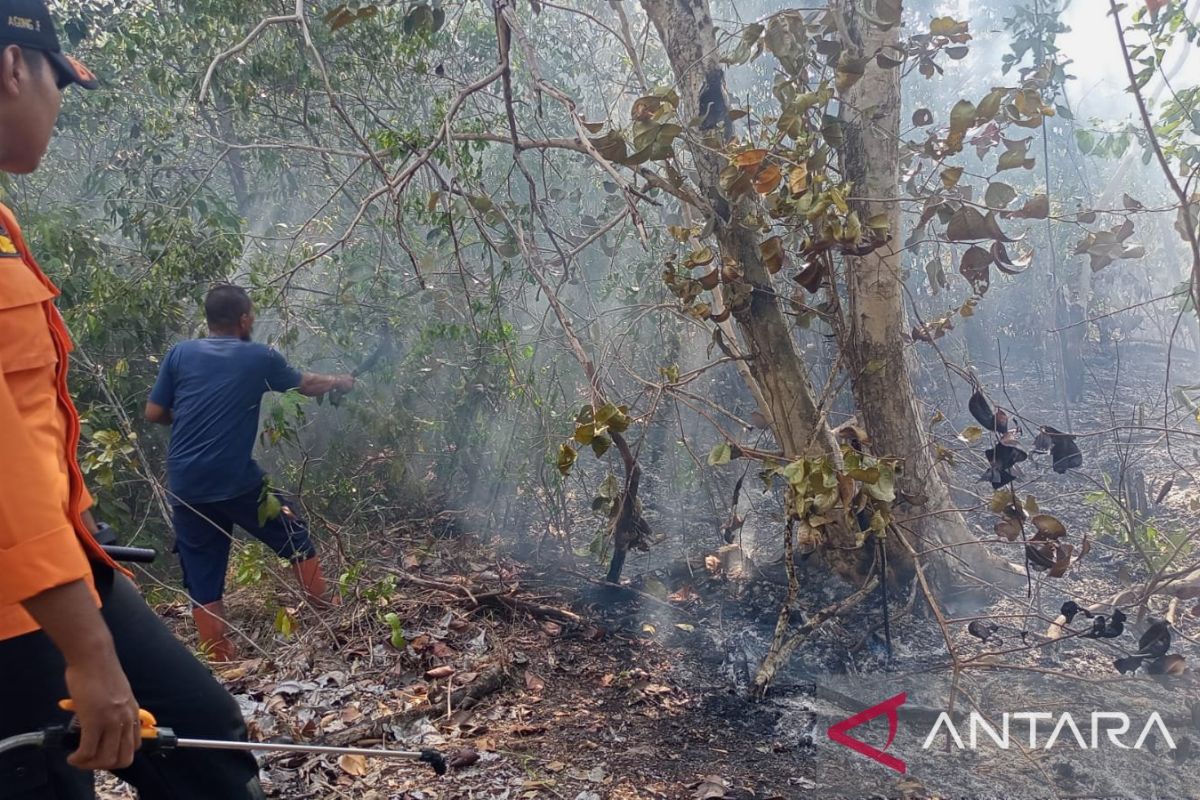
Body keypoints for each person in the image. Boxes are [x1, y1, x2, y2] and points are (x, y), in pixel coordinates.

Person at [0, 2, 264, 797]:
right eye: (59, 82)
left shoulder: (5, 224)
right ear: (13, 65)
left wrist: (82, 538)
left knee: (210, 750)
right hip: (21, 612)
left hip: (65, 569)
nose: (56, 106)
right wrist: (89, 651)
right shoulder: (251, 356)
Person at [145, 284, 353, 661]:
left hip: (185, 482)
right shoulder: (259, 356)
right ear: (243, 320)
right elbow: (305, 385)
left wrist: (193, 416)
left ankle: (221, 659)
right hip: (233, 478)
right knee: (293, 533)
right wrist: (340, 381)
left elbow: (154, 413)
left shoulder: (180, 354)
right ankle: (331, 619)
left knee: (203, 572)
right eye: (252, 315)